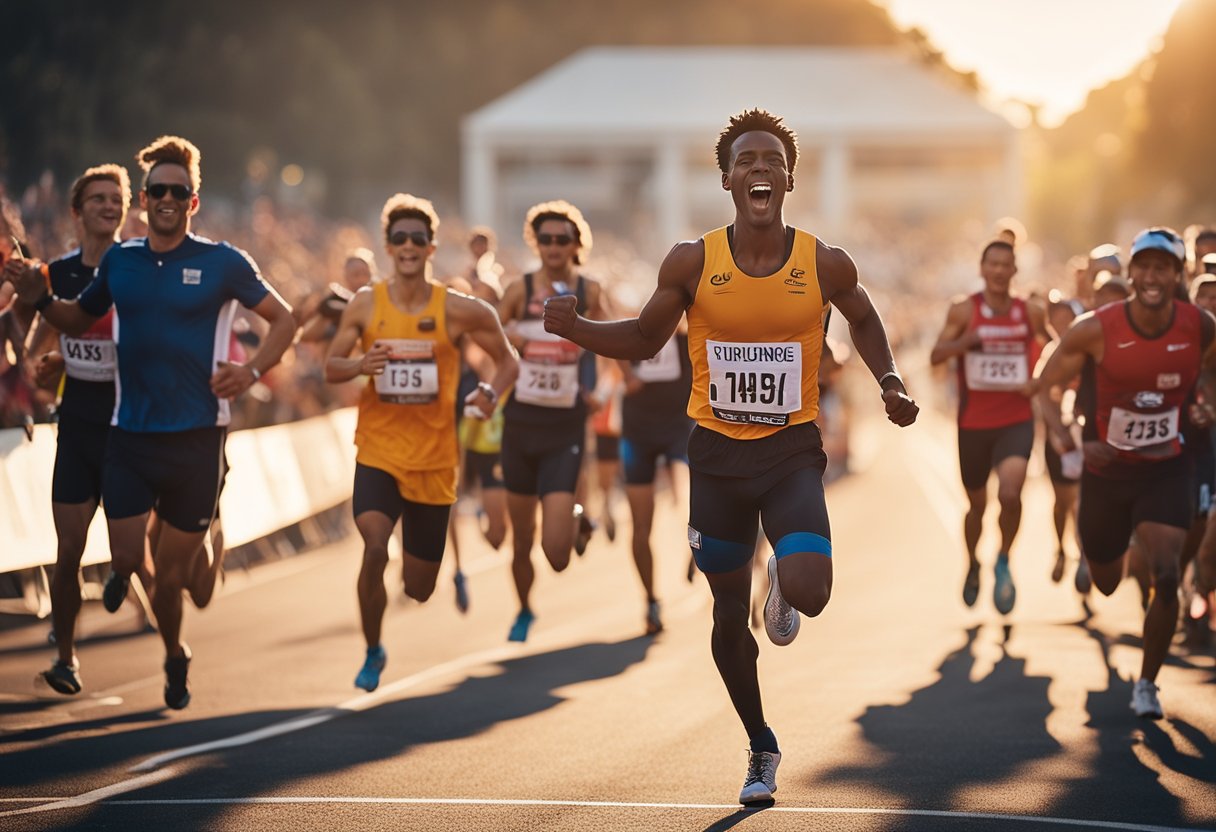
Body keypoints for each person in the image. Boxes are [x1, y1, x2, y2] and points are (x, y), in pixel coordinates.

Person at [543, 109, 918, 804]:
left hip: (790, 453)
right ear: (726, 179)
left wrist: (889, 380)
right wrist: (578, 331)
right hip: (714, 459)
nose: (758, 169)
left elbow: (863, 316)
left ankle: (780, 571)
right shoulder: (693, 261)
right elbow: (645, 339)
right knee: (725, 617)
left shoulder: (822, 261)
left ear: (789, 179)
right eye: (745, 160)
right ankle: (760, 745)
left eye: (771, 159)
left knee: (811, 589)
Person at [3, 136, 297, 709]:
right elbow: (74, 317)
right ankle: (105, 645)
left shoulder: (224, 262)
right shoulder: (122, 261)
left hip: (195, 439)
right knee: (130, 559)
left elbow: (285, 320)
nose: (166, 198)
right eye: (157, 190)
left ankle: (174, 652)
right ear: (145, 199)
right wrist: (40, 301)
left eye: (177, 191)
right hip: (129, 435)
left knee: (173, 581)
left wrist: (253, 370)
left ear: (193, 201)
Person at [325, 193, 517, 691]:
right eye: (399, 238)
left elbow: (508, 359)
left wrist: (492, 394)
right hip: (378, 451)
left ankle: (407, 596)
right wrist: (360, 366)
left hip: (434, 462)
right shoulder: (367, 303)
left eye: (417, 238)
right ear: (388, 246)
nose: (408, 246)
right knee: (372, 548)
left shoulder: (457, 309)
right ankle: (372, 649)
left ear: (431, 247)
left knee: (419, 586)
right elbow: (331, 365)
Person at [1036, 227, 1214, 720]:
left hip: (1166, 467)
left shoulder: (1199, 326)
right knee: (1108, 580)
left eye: (1163, 269)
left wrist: (1205, 406)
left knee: (1168, 571)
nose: (1152, 277)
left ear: (1178, 276)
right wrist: (1066, 434)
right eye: (1145, 268)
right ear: (1131, 272)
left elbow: (1212, 375)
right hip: (1107, 475)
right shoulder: (1096, 327)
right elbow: (1045, 385)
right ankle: (1120, 551)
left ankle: (1148, 684)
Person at [20, 164, 160, 693]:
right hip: (77, 427)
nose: (109, 205)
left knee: (132, 555)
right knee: (68, 553)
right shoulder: (57, 274)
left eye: (117, 198)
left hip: (129, 430)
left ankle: (167, 640)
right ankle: (66, 659)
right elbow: (34, 349)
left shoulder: (141, 269)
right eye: (98, 198)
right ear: (77, 211)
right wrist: (49, 361)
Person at [498, 200, 606, 643]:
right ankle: (524, 608)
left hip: (565, 427)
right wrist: (511, 336)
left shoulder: (590, 290)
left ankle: (576, 518)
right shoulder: (520, 289)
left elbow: (618, 341)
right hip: (520, 424)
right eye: (545, 239)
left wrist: (600, 391)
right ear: (535, 244)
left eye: (563, 239)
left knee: (557, 555)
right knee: (521, 538)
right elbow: (489, 332)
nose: (554, 247)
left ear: (576, 244)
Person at [930, 240, 1050, 613]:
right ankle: (972, 563)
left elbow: (1054, 348)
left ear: (1015, 271)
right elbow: (936, 354)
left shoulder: (1029, 311)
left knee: (1011, 495)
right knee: (976, 507)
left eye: (1006, 265)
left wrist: (1039, 381)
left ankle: (1003, 559)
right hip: (974, 424)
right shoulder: (964, 309)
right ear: (982, 269)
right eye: (992, 265)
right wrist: (966, 342)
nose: (999, 271)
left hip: (1016, 418)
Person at [619, 325, 695, 635]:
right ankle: (650, 600)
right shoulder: (636, 336)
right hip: (638, 433)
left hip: (679, 428)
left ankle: (699, 545)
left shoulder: (690, 338)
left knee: (687, 495)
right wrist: (625, 373)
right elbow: (605, 342)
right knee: (640, 525)